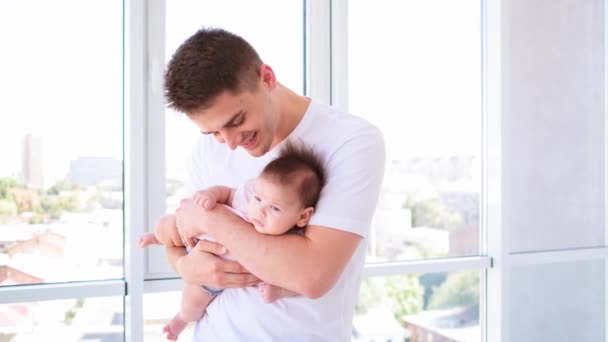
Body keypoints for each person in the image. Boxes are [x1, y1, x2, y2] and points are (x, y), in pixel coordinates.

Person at [164, 27, 385, 341]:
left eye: (236, 120)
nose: (228, 143)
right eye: (213, 132)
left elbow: (310, 274)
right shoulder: (208, 150)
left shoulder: (350, 141)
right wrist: (184, 267)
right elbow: (182, 239)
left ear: (266, 78)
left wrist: (213, 217)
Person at [139, 141, 326, 341]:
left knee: (192, 303)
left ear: (303, 217)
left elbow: (297, 279)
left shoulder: (293, 240)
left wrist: (278, 291)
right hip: (199, 238)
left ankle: (180, 320)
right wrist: (210, 195)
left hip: (217, 275)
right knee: (167, 226)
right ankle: (156, 237)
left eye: (275, 209)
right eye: (258, 199)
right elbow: (227, 193)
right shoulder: (248, 195)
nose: (260, 210)